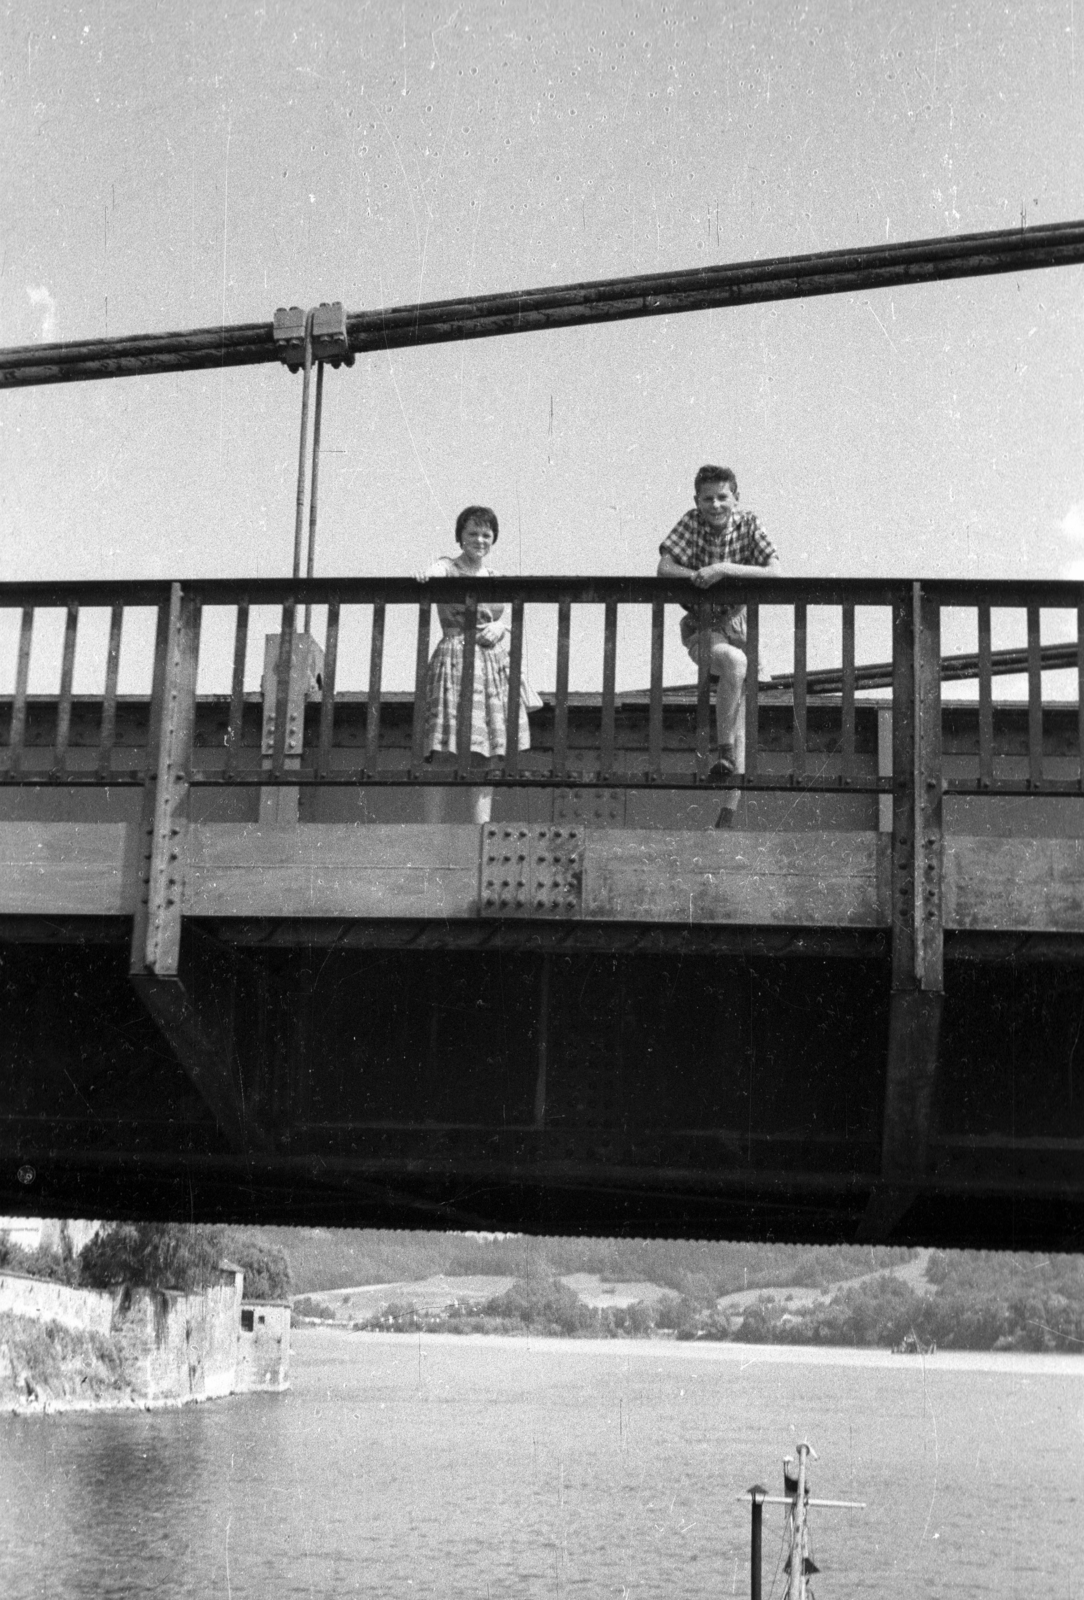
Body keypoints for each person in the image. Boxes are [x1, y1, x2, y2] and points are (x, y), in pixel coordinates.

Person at [657, 465, 780, 827]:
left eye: (722, 497)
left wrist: (724, 568)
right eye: (707, 498)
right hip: (705, 627)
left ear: (736, 498)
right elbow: (665, 566)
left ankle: (728, 811)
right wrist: (695, 576)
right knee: (732, 662)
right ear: (697, 501)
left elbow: (775, 570)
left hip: (740, 627)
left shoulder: (748, 523)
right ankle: (722, 749)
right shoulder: (690, 523)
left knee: (741, 718)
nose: (715, 505)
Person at [417, 504, 540, 825]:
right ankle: (433, 826)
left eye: (486, 534)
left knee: (486, 750)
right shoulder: (449, 565)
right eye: (472, 533)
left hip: (490, 664)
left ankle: (481, 826)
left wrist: (503, 627)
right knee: (444, 746)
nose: (480, 539)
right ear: (460, 537)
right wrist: (426, 573)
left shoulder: (497, 577)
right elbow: (435, 572)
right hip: (455, 658)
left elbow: (510, 616)